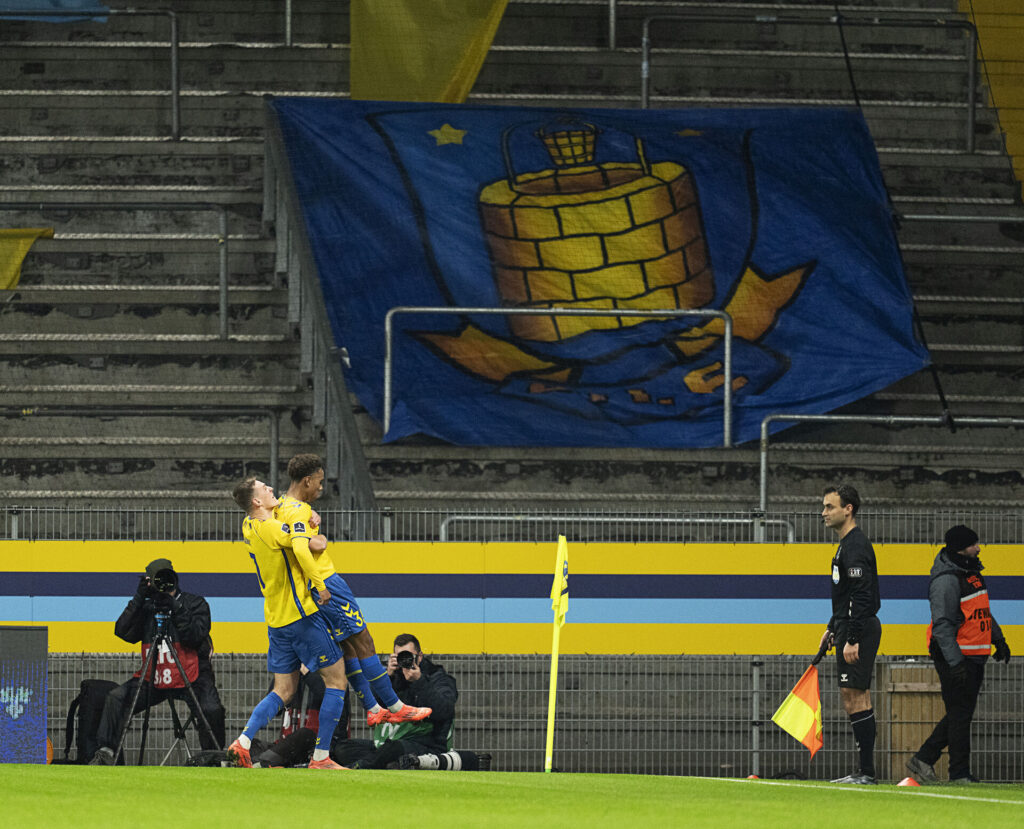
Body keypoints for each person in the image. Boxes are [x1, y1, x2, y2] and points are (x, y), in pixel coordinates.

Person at [275, 453, 431, 728]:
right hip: (327, 584)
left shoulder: (282, 506)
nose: (322, 488)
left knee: (348, 648)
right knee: (364, 641)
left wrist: (314, 534)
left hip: (309, 590)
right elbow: (302, 547)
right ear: (307, 480)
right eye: (319, 482)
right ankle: (395, 706)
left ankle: (372, 708)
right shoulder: (297, 509)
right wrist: (320, 574)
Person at [227, 477, 350, 770]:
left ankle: (243, 742)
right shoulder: (272, 529)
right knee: (337, 681)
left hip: (275, 621)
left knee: (283, 690)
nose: (272, 489)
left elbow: (284, 511)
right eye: (265, 489)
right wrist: (320, 580)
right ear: (256, 501)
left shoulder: (249, 525)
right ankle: (321, 758)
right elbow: (310, 545)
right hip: (300, 617)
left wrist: (305, 510)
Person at [89, 558, 226, 764]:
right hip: (154, 677)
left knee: (211, 709)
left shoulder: (195, 603)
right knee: (116, 698)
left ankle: (214, 757)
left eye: (167, 578)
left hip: (192, 674)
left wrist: (176, 608)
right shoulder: (146, 608)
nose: (164, 585)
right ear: (149, 582)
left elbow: (195, 636)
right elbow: (122, 631)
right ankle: (107, 753)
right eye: (158, 580)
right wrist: (138, 599)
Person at [905, 525, 1012, 785]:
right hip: (957, 657)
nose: (978, 548)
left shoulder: (969, 572)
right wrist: (955, 663)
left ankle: (926, 759)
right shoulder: (947, 579)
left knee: (959, 713)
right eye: (974, 544)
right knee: (961, 713)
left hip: (972, 656)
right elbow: (942, 625)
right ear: (961, 548)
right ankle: (958, 773)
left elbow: (981, 611)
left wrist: (998, 639)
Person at [333, 633, 487, 770]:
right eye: (399, 656)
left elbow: (444, 709)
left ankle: (364, 766)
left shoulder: (438, 677)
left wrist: (419, 681)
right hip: (389, 743)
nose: (404, 660)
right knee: (343, 747)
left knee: (393, 749)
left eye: (408, 656)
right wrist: (387, 678)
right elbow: (372, 707)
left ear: (419, 656)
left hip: (426, 744)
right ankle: (386, 764)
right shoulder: (394, 677)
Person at [819, 483, 881, 784]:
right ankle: (864, 771)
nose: (824, 512)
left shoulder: (855, 546)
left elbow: (862, 595)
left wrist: (852, 637)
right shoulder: (845, 545)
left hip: (859, 628)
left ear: (848, 509)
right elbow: (846, 597)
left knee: (855, 697)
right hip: (848, 626)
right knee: (853, 696)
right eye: (824, 506)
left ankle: (867, 773)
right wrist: (833, 627)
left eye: (830, 506)